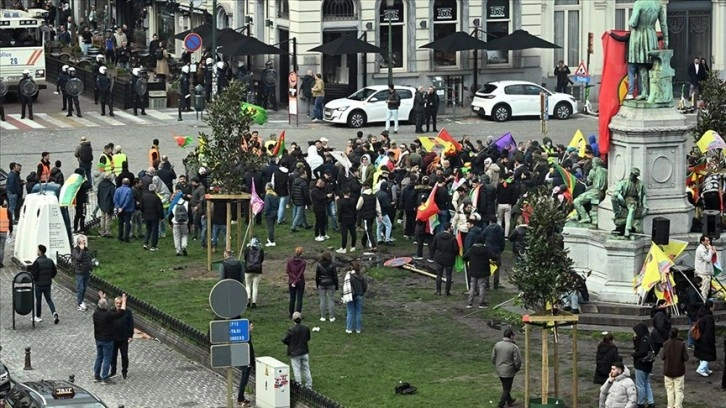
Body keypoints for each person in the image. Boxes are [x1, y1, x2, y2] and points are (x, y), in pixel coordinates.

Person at [624, 0, 669, 100]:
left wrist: (630, 21)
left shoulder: (639, 3)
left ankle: (645, 92)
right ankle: (649, 91)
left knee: (641, 65)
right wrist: (666, 39)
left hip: (639, 36)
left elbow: (633, 22)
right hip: (651, 36)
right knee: (650, 65)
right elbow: (663, 24)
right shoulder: (659, 4)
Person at [93, 291, 127, 384]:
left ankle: (96, 376)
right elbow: (121, 313)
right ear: (106, 306)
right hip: (107, 340)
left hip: (98, 339)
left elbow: (101, 305)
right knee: (107, 358)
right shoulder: (107, 315)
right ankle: (105, 377)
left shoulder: (96, 312)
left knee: (99, 357)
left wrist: (102, 298)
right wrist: (124, 301)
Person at [463, 230, 498, 308]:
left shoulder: (471, 249)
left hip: (473, 271)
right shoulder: (486, 250)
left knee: (472, 287)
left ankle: (470, 303)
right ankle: (481, 303)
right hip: (483, 271)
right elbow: (494, 257)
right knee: (482, 286)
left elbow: (464, 257)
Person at [611, 167, 647, 238]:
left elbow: (644, 194)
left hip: (632, 200)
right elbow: (616, 191)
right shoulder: (624, 182)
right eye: (632, 174)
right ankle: (617, 213)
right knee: (613, 197)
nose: (632, 176)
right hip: (624, 199)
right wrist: (618, 195)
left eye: (634, 175)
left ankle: (627, 228)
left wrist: (645, 205)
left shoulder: (640, 184)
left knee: (632, 209)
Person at [491, 328, 521, 408]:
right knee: (507, 389)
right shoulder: (513, 347)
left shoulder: (497, 345)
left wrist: (497, 365)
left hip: (499, 370)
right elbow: (517, 360)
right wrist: (517, 368)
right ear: (511, 336)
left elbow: (493, 357)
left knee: (505, 386)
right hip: (509, 371)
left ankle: (509, 401)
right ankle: (500, 405)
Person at [282, 311, 312, 389]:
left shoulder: (291, 330)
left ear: (293, 319)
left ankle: (299, 386)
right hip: (304, 351)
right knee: (306, 369)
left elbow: (284, 339)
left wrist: (290, 344)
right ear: (301, 318)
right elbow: (308, 338)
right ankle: (309, 385)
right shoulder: (306, 328)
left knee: (297, 370)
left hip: (295, 353)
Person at [30, 244, 59, 324]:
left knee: (38, 300)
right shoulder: (50, 261)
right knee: (49, 299)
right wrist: (49, 277)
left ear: (39, 251)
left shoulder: (37, 262)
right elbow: (54, 272)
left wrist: (35, 280)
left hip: (39, 284)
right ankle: (54, 313)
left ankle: (38, 316)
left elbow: (34, 274)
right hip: (47, 283)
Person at [662, 328, 688, 408]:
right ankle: (678, 406)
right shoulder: (681, 344)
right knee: (679, 390)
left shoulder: (666, 344)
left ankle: (670, 406)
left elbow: (662, 357)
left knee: (669, 390)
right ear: (678, 334)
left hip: (668, 371)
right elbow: (686, 357)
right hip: (679, 371)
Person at [430, 222, 459, 296]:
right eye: (451, 227)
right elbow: (456, 249)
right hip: (449, 258)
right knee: (448, 275)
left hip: (439, 257)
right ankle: (447, 291)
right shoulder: (452, 238)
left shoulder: (438, 236)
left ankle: (438, 291)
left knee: (439, 275)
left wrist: (433, 255)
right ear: (449, 228)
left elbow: (433, 246)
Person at [110, 295, 134, 380]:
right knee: (113, 355)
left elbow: (130, 324)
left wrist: (130, 335)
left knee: (124, 355)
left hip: (123, 338)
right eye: (117, 303)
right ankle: (113, 371)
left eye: (120, 303)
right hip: (113, 338)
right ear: (114, 303)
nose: (118, 305)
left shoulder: (127, 312)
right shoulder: (112, 312)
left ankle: (124, 371)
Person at [631, 323, 655, 408]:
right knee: (647, 383)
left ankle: (640, 402)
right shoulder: (648, 338)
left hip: (640, 365)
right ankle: (650, 401)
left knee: (640, 385)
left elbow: (642, 352)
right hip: (648, 365)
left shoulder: (642, 340)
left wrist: (634, 354)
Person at [342, 261, 367, 334]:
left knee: (350, 312)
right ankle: (358, 329)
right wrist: (361, 292)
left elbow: (345, 286)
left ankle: (349, 329)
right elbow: (365, 286)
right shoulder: (361, 277)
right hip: (359, 295)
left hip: (350, 295)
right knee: (358, 312)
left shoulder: (349, 276)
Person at [482, 215, 506, 289]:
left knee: (487, 266)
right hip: (497, 250)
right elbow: (502, 241)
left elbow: (482, 237)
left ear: (490, 221)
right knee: (497, 267)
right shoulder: (501, 229)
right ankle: (496, 283)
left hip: (488, 249)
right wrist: (501, 249)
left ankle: (486, 284)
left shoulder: (487, 229)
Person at [694, 300, 716, 377]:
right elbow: (709, 330)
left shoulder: (701, 314)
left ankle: (705, 368)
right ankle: (702, 368)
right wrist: (711, 340)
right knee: (708, 354)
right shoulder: (709, 317)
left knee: (702, 355)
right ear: (710, 307)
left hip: (699, 338)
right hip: (706, 339)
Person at [71, 235, 93, 311]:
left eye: (84, 241)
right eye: (82, 241)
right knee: (80, 288)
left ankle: (82, 300)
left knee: (84, 287)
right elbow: (78, 258)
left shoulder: (86, 249)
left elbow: (88, 259)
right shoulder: (75, 250)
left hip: (86, 271)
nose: (84, 242)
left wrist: (90, 267)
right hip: (80, 272)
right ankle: (79, 303)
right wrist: (81, 250)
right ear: (79, 242)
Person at [315, 251, 338, 322]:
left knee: (322, 299)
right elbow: (335, 276)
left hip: (322, 283)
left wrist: (317, 284)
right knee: (331, 299)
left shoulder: (319, 265)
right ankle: (331, 317)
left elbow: (317, 276)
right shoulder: (332, 265)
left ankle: (323, 316)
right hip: (331, 283)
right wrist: (336, 285)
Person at [237, 320, 255, 406]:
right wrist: (250, 362)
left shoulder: (247, 337)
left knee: (244, 380)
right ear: (247, 327)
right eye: (251, 326)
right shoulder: (245, 338)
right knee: (243, 380)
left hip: (247, 361)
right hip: (246, 362)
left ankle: (241, 397)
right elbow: (248, 351)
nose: (252, 327)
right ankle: (240, 398)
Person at [141, 183, 164, 251]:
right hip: (154, 216)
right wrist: (162, 216)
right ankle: (153, 245)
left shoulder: (144, 196)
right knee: (154, 230)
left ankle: (145, 243)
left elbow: (141, 206)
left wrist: (144, 213)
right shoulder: (156, 197)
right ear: (155, 189)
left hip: (146, 215)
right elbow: (160, 208)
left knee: (148, 229)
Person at [243, 239, 264, 308]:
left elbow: (245, 258)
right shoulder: (261, 250)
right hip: (258, 270)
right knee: (255, 287)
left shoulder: (247, 249)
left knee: (248, 285)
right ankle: (254, 302)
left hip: (248, 269)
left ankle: (248, 298)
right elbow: (261, 260)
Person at [169, 188, 190, 256]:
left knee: (176, 237)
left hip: (175, 223)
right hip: (184, 223)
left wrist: (170, 223)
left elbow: (170, 214)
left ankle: (178, 251)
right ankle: (184, 246)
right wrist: (191, 223)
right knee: (184, 235)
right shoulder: (186, 203)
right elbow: (189, 214)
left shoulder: (173, 204)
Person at [287, 246, 306, 318]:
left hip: (291, 281)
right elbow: (301, 273)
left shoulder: (289, 261)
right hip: (300, 281)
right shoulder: (303, 262)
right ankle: (297, 314)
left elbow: (288, 271)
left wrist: (293, 279)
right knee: (299, 297)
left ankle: (291, 313)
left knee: (292, 298)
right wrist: (297, 279)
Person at [336, 189, 357, 254]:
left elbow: (339, 211)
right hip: (352, 219)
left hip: (344, 219)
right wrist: (355, 219)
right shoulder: (353, 201)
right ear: (349, 193)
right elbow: (355, 211)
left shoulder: (340, 202)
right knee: (353, 233)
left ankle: (343, 248)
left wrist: (339, 219)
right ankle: (353, 246)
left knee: (344, 234)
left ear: (343, 193)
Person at [694, 234, 715, 300]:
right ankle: (703, 304)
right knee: (704, 291)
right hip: (703, 274)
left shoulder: (705, 248)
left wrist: (711, 250)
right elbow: (708, 259)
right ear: (702, 241)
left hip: (706, 273)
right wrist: (710, 251)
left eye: (709, 240)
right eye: (707, 241)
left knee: (706, 290)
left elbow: (711, 254)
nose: (708, 242)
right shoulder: (701, 250)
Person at [97, 172, 115, 238]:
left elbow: (98, 194)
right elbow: (113, 195)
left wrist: (99, 202)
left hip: (102, 203)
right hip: (109, 203)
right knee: (108, 218)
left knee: (103, 218)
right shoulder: (111, 186)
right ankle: (108, 232)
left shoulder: (100, 184)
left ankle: (102, 231)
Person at [263, 183, 279, 247]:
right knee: (272, 227)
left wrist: (265, 213)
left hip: (270, 213)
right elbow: (278, 204)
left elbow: (267, 206)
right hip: (275, 212)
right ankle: (270, 238)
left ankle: (271, 241)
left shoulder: (267, 196)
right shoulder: (275, 194)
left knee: (270, 228)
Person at [0, 199, 13, 268]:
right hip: (4, 232)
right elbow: (10, 222)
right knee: (1, 249)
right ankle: (0, 263)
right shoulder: (7, 211)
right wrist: (11, 231)